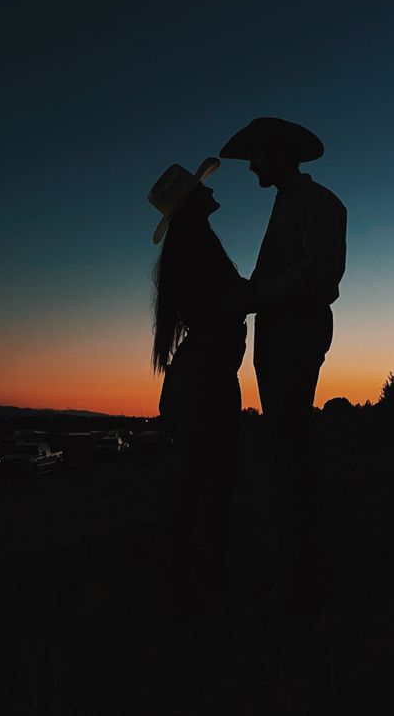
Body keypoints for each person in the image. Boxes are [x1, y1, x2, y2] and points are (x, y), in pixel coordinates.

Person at [219, 117, 347, 609]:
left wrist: (253, 296)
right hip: (279, 330)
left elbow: (319, 272)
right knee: (285, 446)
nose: (251, 165)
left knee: (291, 449)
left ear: (277, 153)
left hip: (297, 327)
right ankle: (299, 570)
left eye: (256, 156)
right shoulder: (287, 204)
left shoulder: (320, 203)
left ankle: (302, 580)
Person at [148, 157, 249, 614]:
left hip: (201, 376)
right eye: (200, 188)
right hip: (207, 378)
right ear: (192, 203)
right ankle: (201, 584)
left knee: (199, 481)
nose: (209, 190)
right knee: (209, 481)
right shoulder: (199, 245)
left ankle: (192, 582)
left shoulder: (192, 244)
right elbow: (230, 300)